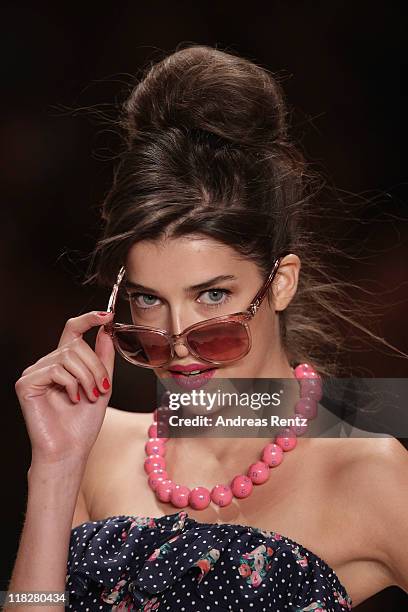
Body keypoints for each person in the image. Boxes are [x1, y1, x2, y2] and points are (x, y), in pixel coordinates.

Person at [7, 44, 408, 612]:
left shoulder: (368, 475)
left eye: (212, 295)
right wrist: (55, 468)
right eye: (149, 301)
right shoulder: (94, 450)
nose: (178, 342)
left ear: (281, 283)